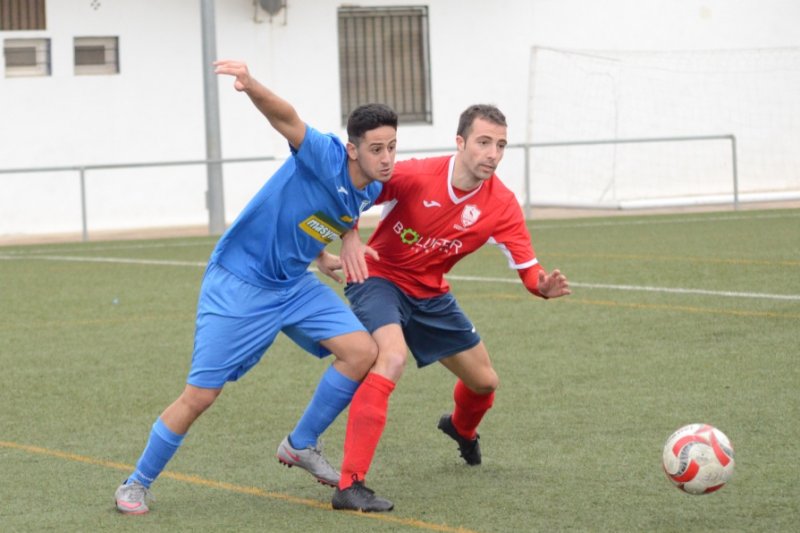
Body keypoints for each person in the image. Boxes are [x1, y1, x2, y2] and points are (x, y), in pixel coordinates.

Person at [113, 59, 398, 515]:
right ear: (351, 149)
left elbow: (323, 213)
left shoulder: (368, 190)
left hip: (292, 284)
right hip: (240, 282)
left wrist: (333, 247)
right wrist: (251, 86)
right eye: (377, 149)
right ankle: (136, 482)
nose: (387, 158)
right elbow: (286, 117)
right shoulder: (324, 153)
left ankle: (301, 444)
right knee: (201, 395)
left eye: (392, 148)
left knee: (362, 352)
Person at [329, 104, 571, 512]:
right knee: (391, 358)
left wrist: (542, 286)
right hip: (379, 280)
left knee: (485, 383)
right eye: (483, 142)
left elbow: (529, 269)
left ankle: (461, 429)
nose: (492, 153)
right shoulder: (415, 175)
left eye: (500, 145)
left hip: (432, 295)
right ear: (460, 143)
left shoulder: (503, 204)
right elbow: (350, 189)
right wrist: (350, 236)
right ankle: (350, 484)